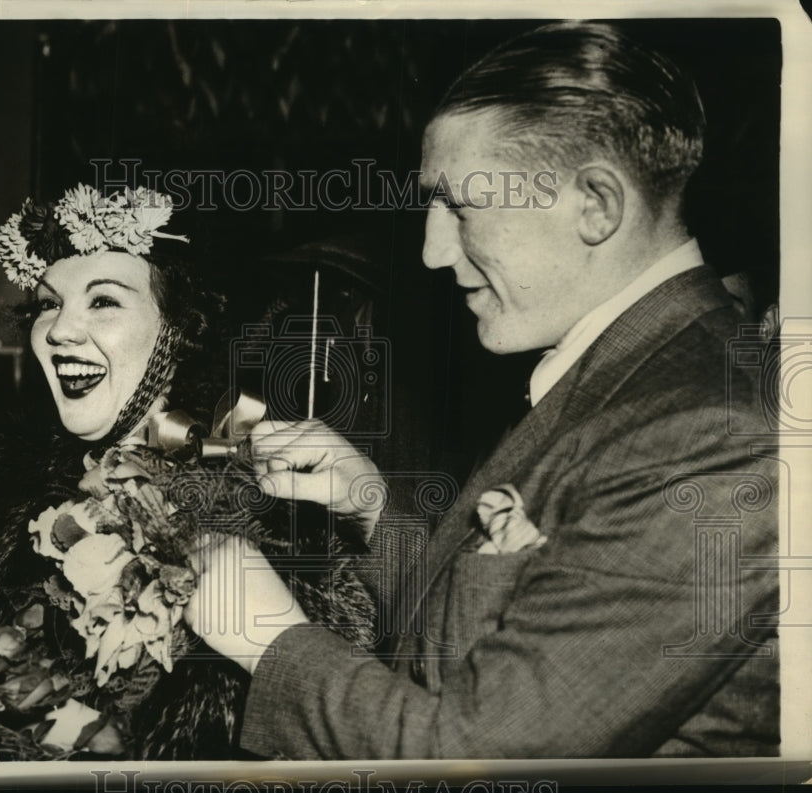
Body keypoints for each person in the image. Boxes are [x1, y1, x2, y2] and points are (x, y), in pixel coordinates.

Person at [184, 21, 780, 758]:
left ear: (596, 205)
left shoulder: (709, 437)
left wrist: (269, 639)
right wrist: (374, 510)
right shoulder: (617, 370)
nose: (434, 252)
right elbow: (500, 644)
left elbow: (482, 754)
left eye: (460, 207)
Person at [0, 183, 373, 760]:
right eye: (47, 303)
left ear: (179, 330)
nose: (59, 329)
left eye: (102, 301)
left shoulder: (267, 506)